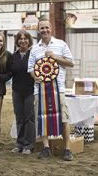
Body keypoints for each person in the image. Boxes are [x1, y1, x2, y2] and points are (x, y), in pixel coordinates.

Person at [28, 19, 75, 161]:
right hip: (39, 89)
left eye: (47, 27)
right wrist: (35, 77)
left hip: (58, 88)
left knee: (64, 117)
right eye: (42, 28)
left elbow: (71, 63)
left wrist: (55, 57)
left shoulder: (61, 44)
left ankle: (67, 149)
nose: (44, 30)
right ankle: (46, 147)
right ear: (38, 31)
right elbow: (30, 68)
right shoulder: (35, 49)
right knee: (42, 118)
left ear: (51, 28)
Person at [8, 30, 35, 155]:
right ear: (17, 41)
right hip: (16, 90)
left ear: (29, 40)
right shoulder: (13, 56)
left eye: (25, 38)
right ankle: (19, 143)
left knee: (29, 118)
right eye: (20, 38)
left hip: (30, 90)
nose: (23, 41)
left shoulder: (33, 54)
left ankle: (29, 145)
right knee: (19, 117)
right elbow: (9, 73)